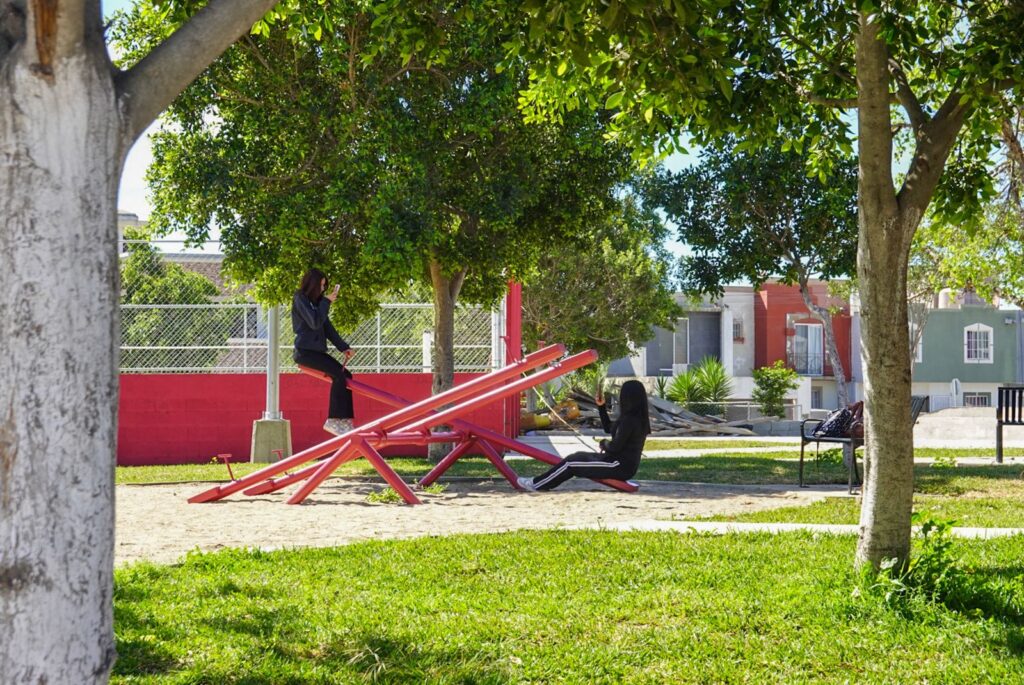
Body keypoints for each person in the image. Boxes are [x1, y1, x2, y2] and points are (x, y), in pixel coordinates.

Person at [517, 380, 651, 492]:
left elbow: (615, 447)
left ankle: (536, 484)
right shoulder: (635, 419)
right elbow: (608, 428)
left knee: (571, 463)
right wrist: (601, 407)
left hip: (618, 466)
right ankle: (539, 483)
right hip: (618, 463)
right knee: (577, 456)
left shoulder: (630, 421)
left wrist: (604, 443)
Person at [292, 268, 356, 435]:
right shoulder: (300, 298)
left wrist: (344, 347)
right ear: (312, 285)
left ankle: (345, 420)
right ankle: (333, 420)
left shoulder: (318, 303)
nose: (323, 290)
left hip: (317, 351)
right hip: (305, 352)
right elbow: (314, 322)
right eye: (320, 286)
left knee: (346, 375)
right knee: (338, 375)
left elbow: (327, 328)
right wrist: (326, 302)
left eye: (324, 286)